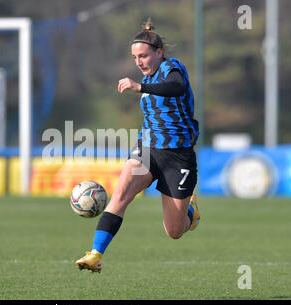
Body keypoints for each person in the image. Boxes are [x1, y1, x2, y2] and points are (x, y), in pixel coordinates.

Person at [75, 18, 200, 273]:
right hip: (147, 148)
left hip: (178, 156)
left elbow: (176, 88)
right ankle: (96, 253)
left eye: (143, 56)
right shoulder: (147, 81)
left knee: (174, 231)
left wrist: (140, 86)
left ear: (159, 52)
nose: (139, 62)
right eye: (135, 58)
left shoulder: (172, 69)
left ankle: (191, 213)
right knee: (121, 194)